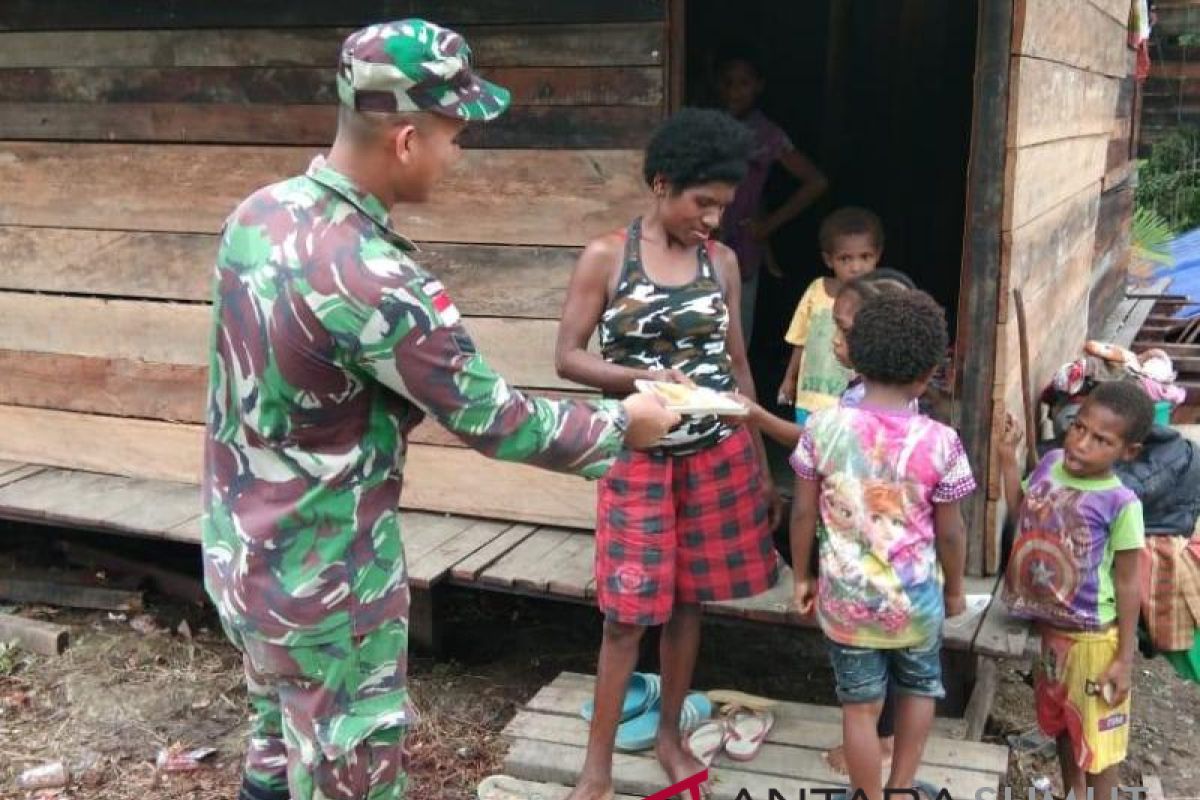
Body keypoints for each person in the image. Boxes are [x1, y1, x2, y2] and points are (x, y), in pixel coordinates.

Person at [201, 20, 679, 800]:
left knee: (277, 747)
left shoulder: (259, 215)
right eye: (457, 136)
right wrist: (630, 424)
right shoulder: (376, 281)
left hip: (242, 557)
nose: (459, 156)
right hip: (330, 588)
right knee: (346, 773)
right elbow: (498, 419)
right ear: (407, 139)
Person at [555, 108, 783, 800]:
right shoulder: (608, 256)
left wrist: (761, 461)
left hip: (716, 459)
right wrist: (641, 381)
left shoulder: (724, 262)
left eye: (724, 204)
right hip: (639, 459)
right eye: (702, 202)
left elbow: (736, 366)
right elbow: (566, 357)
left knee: (689, 603)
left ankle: (667, 737)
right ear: (662, 184)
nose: (713, 218)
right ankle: (595, 765)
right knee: (627, 616)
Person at [791, 291, 973, 800]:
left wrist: (803, 576)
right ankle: (901, 789)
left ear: (854, 356)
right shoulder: (942, 442)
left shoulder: (822, 428)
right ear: (928, 372)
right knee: (918, 691)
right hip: (915, 603)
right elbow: (952, 530)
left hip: (847, 602)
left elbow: (803, 511)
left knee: (860, 707)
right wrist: (955, 590)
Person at [999, 382, 1153, 800]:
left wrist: (1124, 658)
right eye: (1078, 428)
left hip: (1094, 639)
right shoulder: (1049, 463)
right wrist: (1007, 460)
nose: (1081, 444)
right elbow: (1023, 515)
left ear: (1128, 452)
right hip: (1051, 633)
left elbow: (1128, 581)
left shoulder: (1122, 504)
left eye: (1101, 440)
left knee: (1100, 742)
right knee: (1063, 725)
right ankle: (1072, 792)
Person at [714, 49, 828, 346]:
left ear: (759, 86)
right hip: (700, 246)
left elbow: (815, 181)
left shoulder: (767, 135)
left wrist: (766, 227)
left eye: (744, 83)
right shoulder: (705, 127)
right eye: (728, 82)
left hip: (742, 251)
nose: (735, 91)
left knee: (735, 341)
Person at [780, 207, 883, 425]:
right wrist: (789, 379)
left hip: (853, 404)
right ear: (829, 260)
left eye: (865, 257)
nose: (856, 267)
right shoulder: (816, 290)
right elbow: (800, 340)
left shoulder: (878, 299)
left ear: (878, 255)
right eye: (845, 259)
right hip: (810, 399)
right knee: (808, 453)